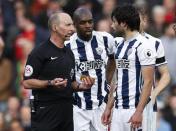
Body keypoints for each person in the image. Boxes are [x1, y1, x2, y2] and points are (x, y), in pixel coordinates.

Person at [22, 12, 95, 131]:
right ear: (55, 27)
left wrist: (82, 86)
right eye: (67, 25)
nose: (72, 28)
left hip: (66, 110)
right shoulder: (39, 52)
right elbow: (26, 83)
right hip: (45, 110)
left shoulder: (69, 53)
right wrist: (49, 83)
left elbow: (70, 83)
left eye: (72, 25)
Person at [101, 4, 157, 131]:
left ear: (124, 24)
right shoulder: (119, 45)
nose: (112, 25)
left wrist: (139, 111)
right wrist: (109, 107)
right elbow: (117, 77)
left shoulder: (144, 46)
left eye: (114, 22)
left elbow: (148, 82)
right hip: (118, 108)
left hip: (134, 109)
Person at [65, 7, 115, 131]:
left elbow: (113, 58)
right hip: (79, 106)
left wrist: (108, 81)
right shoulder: (68, 45)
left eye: (90, 21)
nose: (88, 25)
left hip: (101, 104)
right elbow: (67, 74)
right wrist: (81, 79)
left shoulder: (105, 39)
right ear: (75, 25)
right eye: (83, 23)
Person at [139, 7, 170, 131]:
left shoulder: (155, 42)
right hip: (123, 104)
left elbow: (166, 74)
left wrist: (154, 93)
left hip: (147, 105)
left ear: (144, 20)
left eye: (138, 19)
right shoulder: (119, 43)